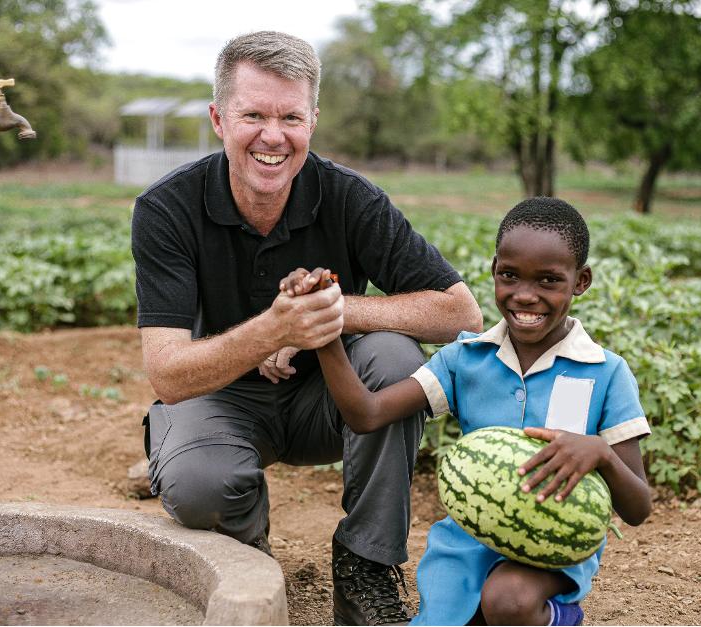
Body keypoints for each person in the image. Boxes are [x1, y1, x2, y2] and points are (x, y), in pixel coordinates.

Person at [130, 30, 484, 626]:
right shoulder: (168, 208)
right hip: (224, 398)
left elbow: (461, 314)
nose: (274, 136)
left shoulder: (350, 197)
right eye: (254, 115)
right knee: (197, 484)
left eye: (291, 116)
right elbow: (167, 372)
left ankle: (364, 566)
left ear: (313, 120)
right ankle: (248, 559)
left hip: (333, 398)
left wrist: (332, 315)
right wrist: (271, 329)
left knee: (398, 360)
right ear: (219, 118)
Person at [282, 197, 653, 626]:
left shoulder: (607, 373)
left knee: (509, 602)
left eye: (549, 280)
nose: (525, 295)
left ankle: (558, 616)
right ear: (494, 269)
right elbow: (366, 414)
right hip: (465, 547)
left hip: (552, 553)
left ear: (581, 280)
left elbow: (638, 508)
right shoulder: (466, 359)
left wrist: (600, 453)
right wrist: (325, 332)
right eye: (509, 276)